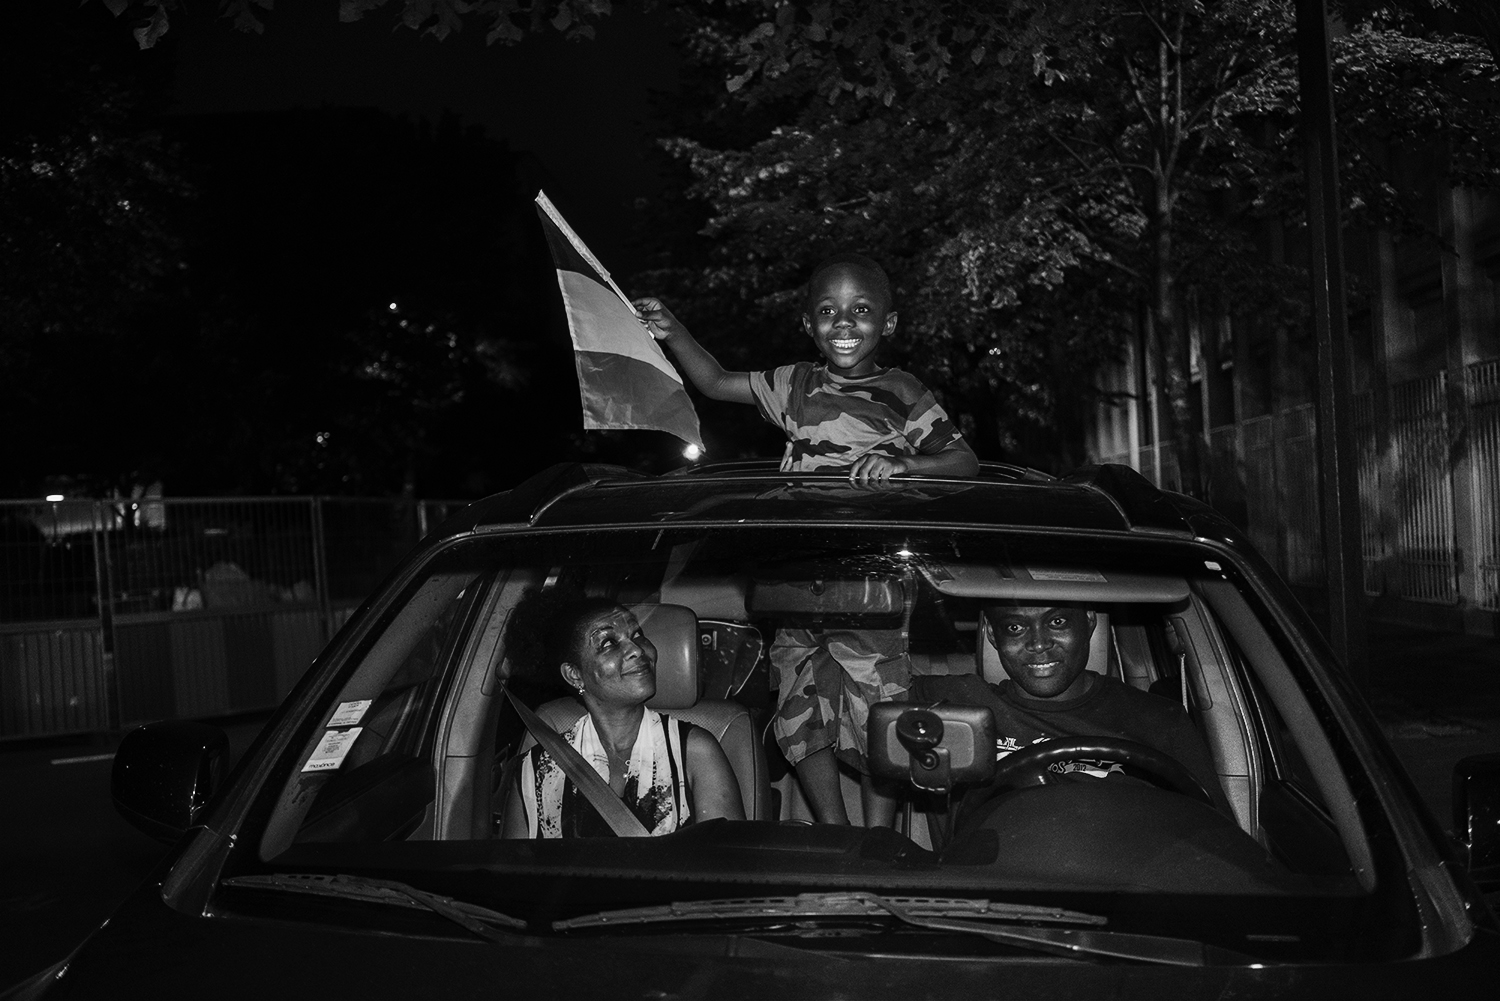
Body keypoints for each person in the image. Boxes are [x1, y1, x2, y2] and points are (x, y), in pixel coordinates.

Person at [634, 253, 978, 826]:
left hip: (869, 582)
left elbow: (963, 463)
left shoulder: (902, 392)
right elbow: (717, 382)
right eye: (828, 312)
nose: (844, 324)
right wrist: (673, 331)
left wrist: (904, 466)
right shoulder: (794, 384)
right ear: (808, 326)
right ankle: (833, 832)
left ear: (888, 325)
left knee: (879, 713)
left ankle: (876, 837)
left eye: (861, 311)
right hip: (792, 583)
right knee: (799, 715)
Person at [910, 602, 1233, 824]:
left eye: (1057, 621)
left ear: (1089, 621)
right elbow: (865, 677)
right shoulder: (955, 702)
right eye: (1015, 626)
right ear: (993, 636)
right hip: (994, 892)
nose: (1038, 643)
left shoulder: (1158, 720)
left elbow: (1217, 835)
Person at [502, 598, 744, 838]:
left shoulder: (694, 752)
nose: (637, 650)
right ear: (575, 675)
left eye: (637, 635)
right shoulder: (535, 770)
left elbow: (724, 866)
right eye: (608, 643)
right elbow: (517, 873)